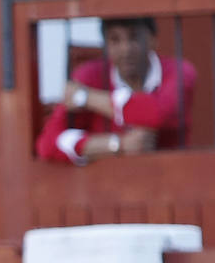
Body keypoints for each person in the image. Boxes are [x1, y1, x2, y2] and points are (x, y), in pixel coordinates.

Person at [36, 16, 197, 166]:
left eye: (134, 37)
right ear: (105, 45)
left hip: (171, 187)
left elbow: (160, 113)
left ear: (153, 40)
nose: (125, 49)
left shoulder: (179, 71)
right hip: (106, 190)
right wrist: (117, 144)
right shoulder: (90, 76)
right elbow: (47, 145)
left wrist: (87, 97)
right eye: (115, 40)